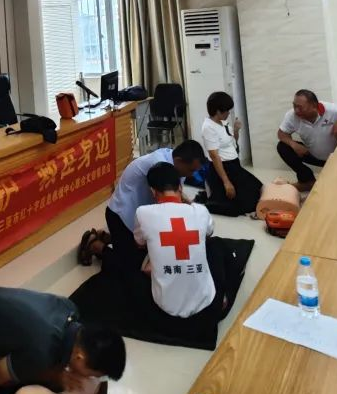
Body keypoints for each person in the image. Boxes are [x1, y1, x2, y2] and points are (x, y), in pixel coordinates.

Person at [84, 140, 207, 270]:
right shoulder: (160, 167)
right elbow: (169, 206)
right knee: (132, 268)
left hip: (140, 217)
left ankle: (109, 237)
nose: (192, 174)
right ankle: (95, 245)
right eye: (191, 170)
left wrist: (190, 207)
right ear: (179, 160)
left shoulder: (175, 163)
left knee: (151, 256)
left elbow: (176, 197)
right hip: (122, 216)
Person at [134, 162, 217, 318]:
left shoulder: (143, 213)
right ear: (180, 187)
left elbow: (139, 243)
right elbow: (209, 234)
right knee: (216, 246)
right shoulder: (201, 211)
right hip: (205, 301)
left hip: (164, 305)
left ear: (153, 191)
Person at [276, 90, 337, 191]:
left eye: (300, 107)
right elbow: (281, 133)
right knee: (283, 147)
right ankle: (307, 181)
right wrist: (293, 144)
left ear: (314, 105)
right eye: (294, 106)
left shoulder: (331, 110)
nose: (296, 110)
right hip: (313, 155)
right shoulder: (292, 115)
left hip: (336, 157)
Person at [199, 91, 262, 216]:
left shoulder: (223, 123)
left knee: (257, 188)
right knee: (246, 203)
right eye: (227, 111)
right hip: (223, 168)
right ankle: (212, 200)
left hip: (234, 165)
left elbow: (232, 143)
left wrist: (236, 130)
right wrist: (226, 182)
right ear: (218, 111)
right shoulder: (208, 127)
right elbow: (214, 156)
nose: (229, 113)